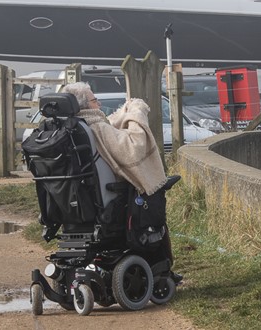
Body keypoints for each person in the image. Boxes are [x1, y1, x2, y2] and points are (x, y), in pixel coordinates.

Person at [62, 82, 182, 283]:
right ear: (84, 106)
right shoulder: (96, 127)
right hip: (110, 201)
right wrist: (137, 113)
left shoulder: (72, 130)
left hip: (74, 206)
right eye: (94, 100)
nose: (99, 104)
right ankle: (162, 270)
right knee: (153, 202)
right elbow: (132, 147)